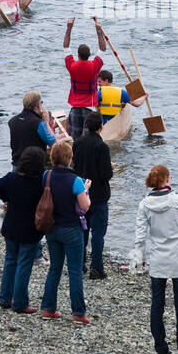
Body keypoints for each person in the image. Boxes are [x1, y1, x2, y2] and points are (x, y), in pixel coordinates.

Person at [134, 166, 178, 354]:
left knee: (157, 304)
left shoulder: (145, 204)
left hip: (158, 259)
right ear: (166, 180)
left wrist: (139, 260)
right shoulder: (177, 199)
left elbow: (140, 236)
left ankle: (161, 348)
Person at [39, 140, 91, 324]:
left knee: (55, 268)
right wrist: (86, 190)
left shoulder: (47, 176)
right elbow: (85, 207)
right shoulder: (75, 180)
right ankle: (78, 312)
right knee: (75, 270)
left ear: (53, 158)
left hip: (52, 227)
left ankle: (48, 308)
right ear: (69, 159)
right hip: (71, 228)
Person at [0, 147, 47, 314]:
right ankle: (20, 303)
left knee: (10, 261)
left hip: (11, 226)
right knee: (24, 264)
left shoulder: (11, 178)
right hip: (30, 229)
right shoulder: (41, 183)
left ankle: (5, 298)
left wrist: (7, 198)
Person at [72, 112, 113, 279]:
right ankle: (96, 267)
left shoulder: (78, 143)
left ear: (86, 126)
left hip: (81, 192)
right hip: (98, 195)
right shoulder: (102, 146)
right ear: (101, 126)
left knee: (83, 230)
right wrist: (110, 167)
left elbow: (75, 167)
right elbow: (105, 174)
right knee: (98, 233)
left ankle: (80, 264)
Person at [62, 17, 106, 140]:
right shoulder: (94, 66)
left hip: (75, 107)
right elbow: (102, 49)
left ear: (78, 55)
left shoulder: (72, 66)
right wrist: (98, 30)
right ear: (89, 55)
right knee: (89, 138)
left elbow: (66, 47)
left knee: (74, 139)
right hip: (89, 108)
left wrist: (69, 28)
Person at [9, 90, 57, 166]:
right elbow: (53, 143)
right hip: (34, 166)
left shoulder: (12, 121)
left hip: (16, 164)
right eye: (41, 103)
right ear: (38, 105)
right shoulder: (38, 123)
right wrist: (47, 123)